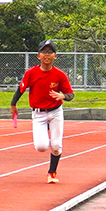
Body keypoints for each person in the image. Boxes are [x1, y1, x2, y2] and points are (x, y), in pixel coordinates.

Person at [10, 39, 74, 183]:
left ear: (55, 56)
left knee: (56, 146)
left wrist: (63, 96)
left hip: (56, 112)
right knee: (41, 146)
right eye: (44, 52)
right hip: (38, 113)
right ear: (38, 55)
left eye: (50, 52)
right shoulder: (31, 73)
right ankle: (50, 141)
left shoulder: (60, 75)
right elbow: (21, 89)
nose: (47, 55)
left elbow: (70, 94)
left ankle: (52, 173)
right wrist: (13, 104)